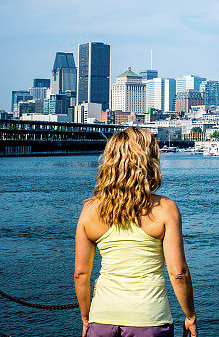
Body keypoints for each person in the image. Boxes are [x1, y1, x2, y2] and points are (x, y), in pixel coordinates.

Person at [74, 127, 197, 337]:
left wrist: (86, 317)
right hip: (150, 319)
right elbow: (178, 273)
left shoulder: (90, 210)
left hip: (102, 317)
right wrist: (190, 316)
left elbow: (81, 274)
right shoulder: (165, 209)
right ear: (149, 161)